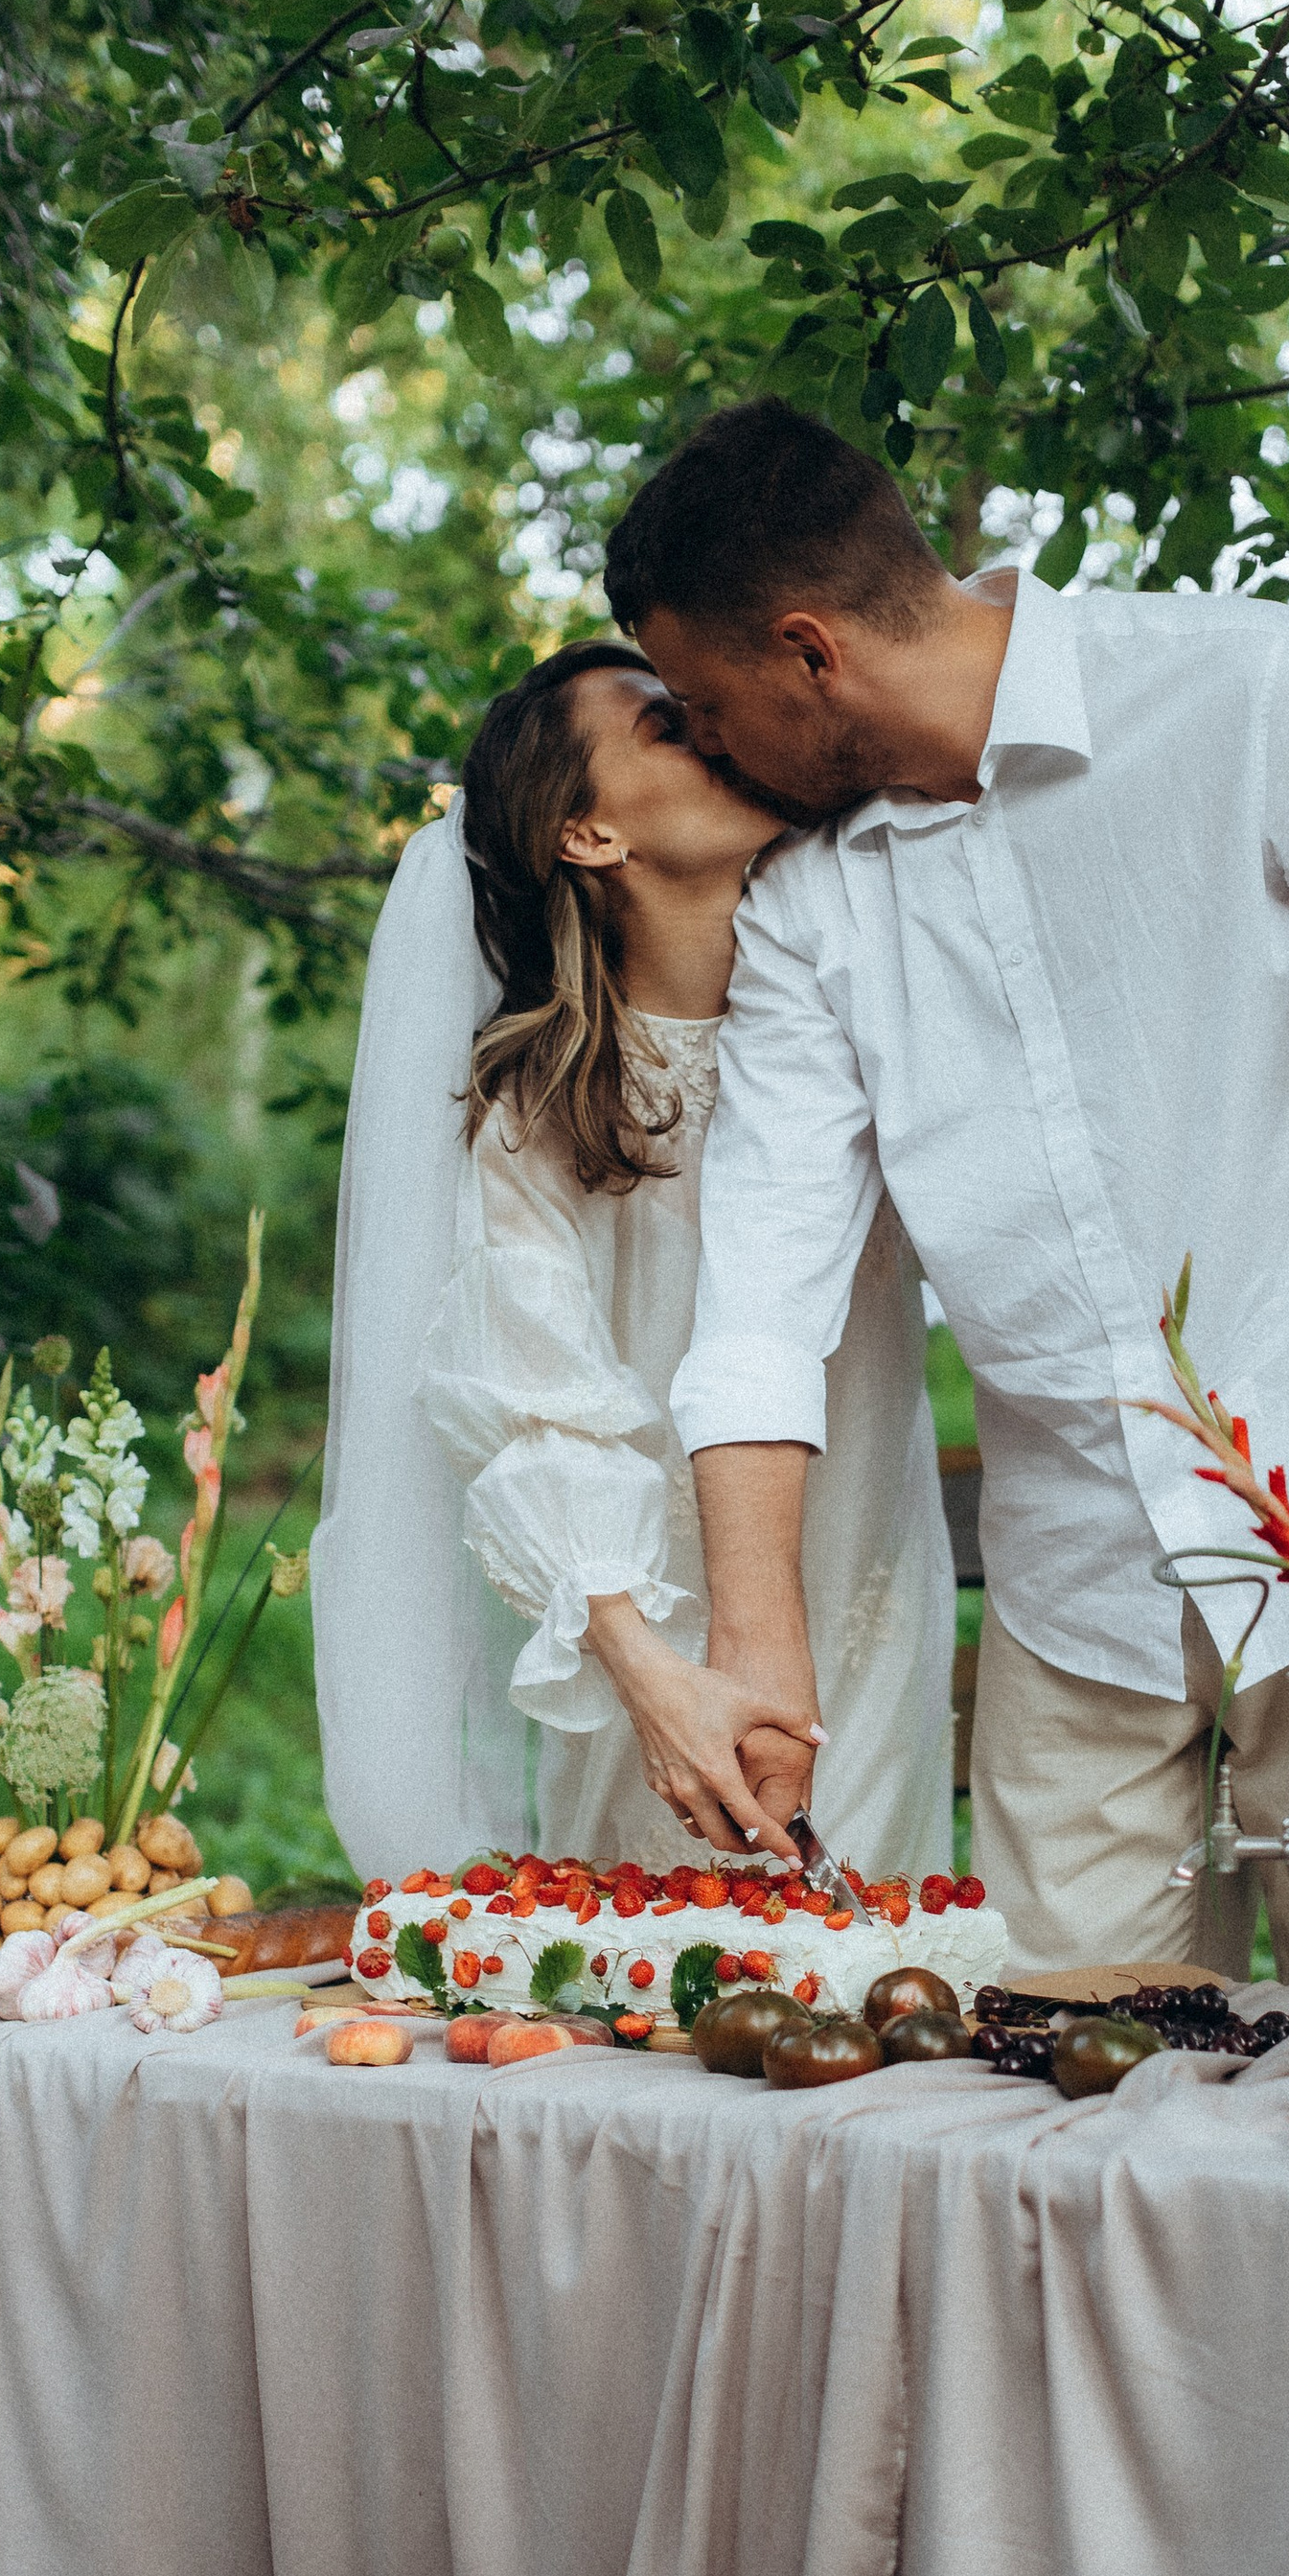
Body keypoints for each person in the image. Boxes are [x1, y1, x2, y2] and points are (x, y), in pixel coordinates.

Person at [597, 401, 1289, 1982]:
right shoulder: (807, 915)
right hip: (1075, 1599)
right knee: (1054, 2105)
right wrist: (757, 1649)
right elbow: (762, 1295)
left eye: (711, 709)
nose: (710, 749)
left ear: (811, 653)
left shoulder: (1271, 701)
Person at [401, 636, 954, 1876]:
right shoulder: (536, 1111)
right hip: (639, 1628)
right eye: (667, 727)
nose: (718, 730)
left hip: (865, 1559)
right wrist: (653, 1683)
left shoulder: (870, 1025)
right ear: (588, 835)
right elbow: (529, 1410)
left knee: (874, 1988)